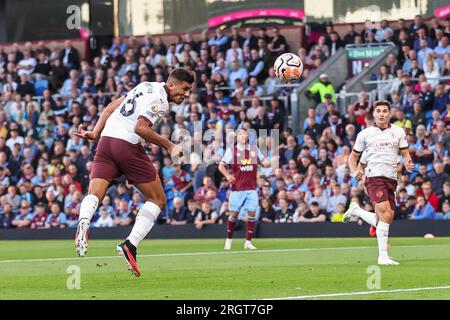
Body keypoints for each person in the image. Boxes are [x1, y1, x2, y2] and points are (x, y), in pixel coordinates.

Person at [73, 67, 194, 277]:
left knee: (94, 193)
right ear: (171, 85)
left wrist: (94, 132)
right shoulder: (161, 100)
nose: (186, 94)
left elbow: (111, 107)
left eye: (189, 90)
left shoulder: (145, 86)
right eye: (184, 89)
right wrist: (170, 145)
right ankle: (130, 244)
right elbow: (140, 128)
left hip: (105, 141)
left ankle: (84, 220)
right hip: (126, 144)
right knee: (157, 199)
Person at [344, 100, 414, 265]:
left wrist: (408, 162)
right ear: (374, 114)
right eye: (378, 111)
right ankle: (382, 256)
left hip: (391, 178)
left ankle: (357, 211)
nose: (382, 114)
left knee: (386, 217)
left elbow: (405, 153)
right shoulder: (365, 134)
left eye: (384, 111)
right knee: (384, 211)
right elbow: (353, 157)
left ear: (389, 113)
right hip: (373, 176)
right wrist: (355, 171)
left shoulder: (398, 132)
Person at [218, 128, 269, 250]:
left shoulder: (254, 149)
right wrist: (228, 175)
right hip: (237, 188)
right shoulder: (232, 151)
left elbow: (264, 161)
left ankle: (248, 242)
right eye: (241, 134)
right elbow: (221, 166)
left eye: (245, 133)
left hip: (251, 188)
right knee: (234, 214)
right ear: (237, 136)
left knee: (252, 214)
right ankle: (229, 239)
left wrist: (266, 162)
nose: (244, 136)